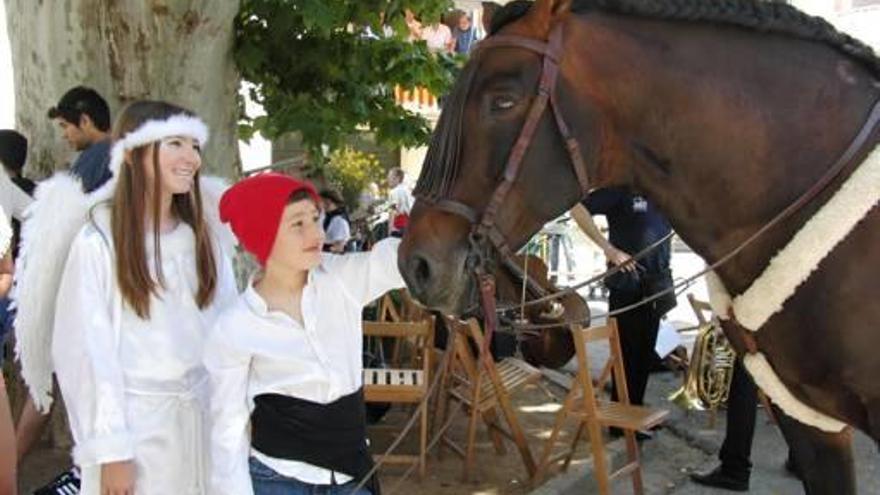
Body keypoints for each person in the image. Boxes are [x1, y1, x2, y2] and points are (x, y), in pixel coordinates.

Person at [45, 100, 238, 495]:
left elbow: (229, 332)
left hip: (205, 427)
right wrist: (112, 450)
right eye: (175, 144)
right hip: (139, 435)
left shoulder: (205, 239)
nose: (191, 158)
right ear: (133, 153)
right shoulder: (99, 242)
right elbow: (84, 351)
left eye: (195, 146)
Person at [204, 172, 405, 494]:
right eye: (298, 224)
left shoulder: (340, 279)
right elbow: (227, 426)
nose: (316, 232)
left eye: (315, 218)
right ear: (262, 234)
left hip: (350, 476)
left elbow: (394, 262)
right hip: (276, 480)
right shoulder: (234, 326)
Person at [571, 189, 675, 436]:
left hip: (658, 285)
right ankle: (621, 422)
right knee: (626, 353)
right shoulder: (622, 189)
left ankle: (634, 413)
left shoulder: (662, 189)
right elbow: (577, 208)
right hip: (628, 284)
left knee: (644, 356)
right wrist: (609, 249)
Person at [47, 86, 113, 192]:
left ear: (84, 121)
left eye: (65, 126)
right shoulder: (116, 151)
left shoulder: (98, 156)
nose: (64, 135)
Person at [320, 189, 351, 253]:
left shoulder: (340, 221)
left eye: (326, 203)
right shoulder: (326, 216)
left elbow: (339, 248)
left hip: (329, 257)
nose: (323, 205)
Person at [386, 167, 413, 237]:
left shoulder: (394, 192)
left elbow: (392, 211)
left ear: (397, 179)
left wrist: (390, 229)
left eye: (390, 177)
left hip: (398, 228)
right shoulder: (409, 191)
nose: (388, 180)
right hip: (410, 228)